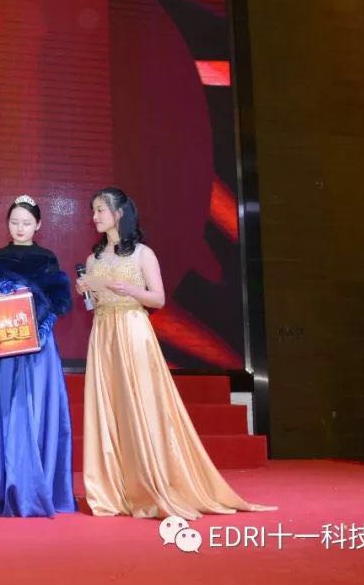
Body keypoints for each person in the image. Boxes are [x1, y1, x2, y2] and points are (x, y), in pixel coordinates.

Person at [77, 187, 274, 519]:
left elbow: (158, 298)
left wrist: (130, 290)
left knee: (140, 406)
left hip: (133, 331)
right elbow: (95, 304)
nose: (94, 216)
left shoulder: (143, 254)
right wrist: (87, 291)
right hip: (103, 334)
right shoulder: (93, 259)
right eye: (93, 210)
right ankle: (115, 489)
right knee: (110, 409)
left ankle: (150, 484)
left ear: (119, 214)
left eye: (100, 210)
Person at [0, 195, 76, 517]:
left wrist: (37, 322)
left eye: (26, 223)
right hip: (3, 348)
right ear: (7, 224)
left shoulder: (46, 258)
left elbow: (59, 302)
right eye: (14, 222)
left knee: (33, 409)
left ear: (38, 225)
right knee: (3, 409)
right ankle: (0, 482)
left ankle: (34, 485)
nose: (20, 228)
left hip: (38, 348)